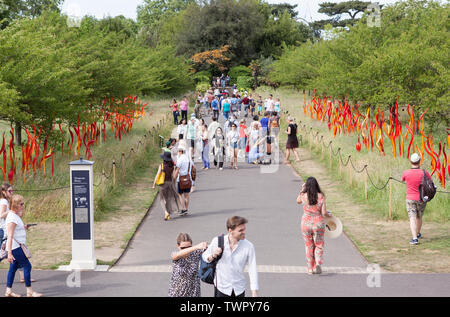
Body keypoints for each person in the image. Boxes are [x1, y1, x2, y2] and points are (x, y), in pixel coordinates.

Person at [202, 216, 258, 297]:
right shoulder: (217, 241)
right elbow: (205, 256)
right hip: (221, 288)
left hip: (239, 289)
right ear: (230, 231)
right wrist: (213, 255)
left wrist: (254, 292)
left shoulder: (249, 246)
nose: (244, 232)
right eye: (240, 230)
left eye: (244, 229)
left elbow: (252, 268)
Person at [5, 195, 42, 297]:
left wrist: (23, 227)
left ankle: (8, 291)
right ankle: (29, 291)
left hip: (17, 246)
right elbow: (10, 236)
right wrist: (9, 253)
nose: (23, 206)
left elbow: (16, 230)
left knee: (13, 268)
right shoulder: (12, 218)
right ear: (15, 205)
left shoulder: (15, 215)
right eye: (21, 204)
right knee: (27, 266)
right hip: (16, 247)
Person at [296, 177, 331, 275]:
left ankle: (310, 268)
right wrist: (330, 215)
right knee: (319, 244)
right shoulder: (321, 196)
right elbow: (324, 213)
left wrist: (302, 189)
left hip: (306, 223)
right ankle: (318, 263)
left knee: (309, 245)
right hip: (318, 223)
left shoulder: (303, 195)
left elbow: (297, 201)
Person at [401, 153, 432, 245]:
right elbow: (430, 182)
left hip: (410, 198)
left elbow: (402, 179)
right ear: (419, 161)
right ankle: (417, 233)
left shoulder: (406, 172)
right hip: (421, 198)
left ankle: (414, 238)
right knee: (419, 216)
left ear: (410, 161)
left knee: (412, 217)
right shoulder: (424, 172)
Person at [168, 233, 208, 297]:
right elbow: (176, 256)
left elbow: (211, 248)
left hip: (194, 293)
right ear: (178, 246)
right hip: (177, 293)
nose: (186, 250)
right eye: (183, 248)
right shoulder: (175, 254)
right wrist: (197, 246)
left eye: (189, 247)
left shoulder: (195, 253)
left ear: (191, 245)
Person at [152, 151, 180, 221]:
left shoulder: (161, 166)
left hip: (162, 184)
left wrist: (154, 184)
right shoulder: (172, 166)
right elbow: (173, 176)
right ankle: (168, 214)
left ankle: (166, 212)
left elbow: (158, 175)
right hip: (170, 183)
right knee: (168, 199)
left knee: (162, 199)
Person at [173, 147, 192, 216]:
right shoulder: (187, 158)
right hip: (187, 177)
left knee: (180, 194)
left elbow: (177, 170)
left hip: (180, 178)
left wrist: (174, 178)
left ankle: (183, 208)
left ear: (180, 151)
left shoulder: (180, 159)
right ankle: (186, 208)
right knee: (186, 195)